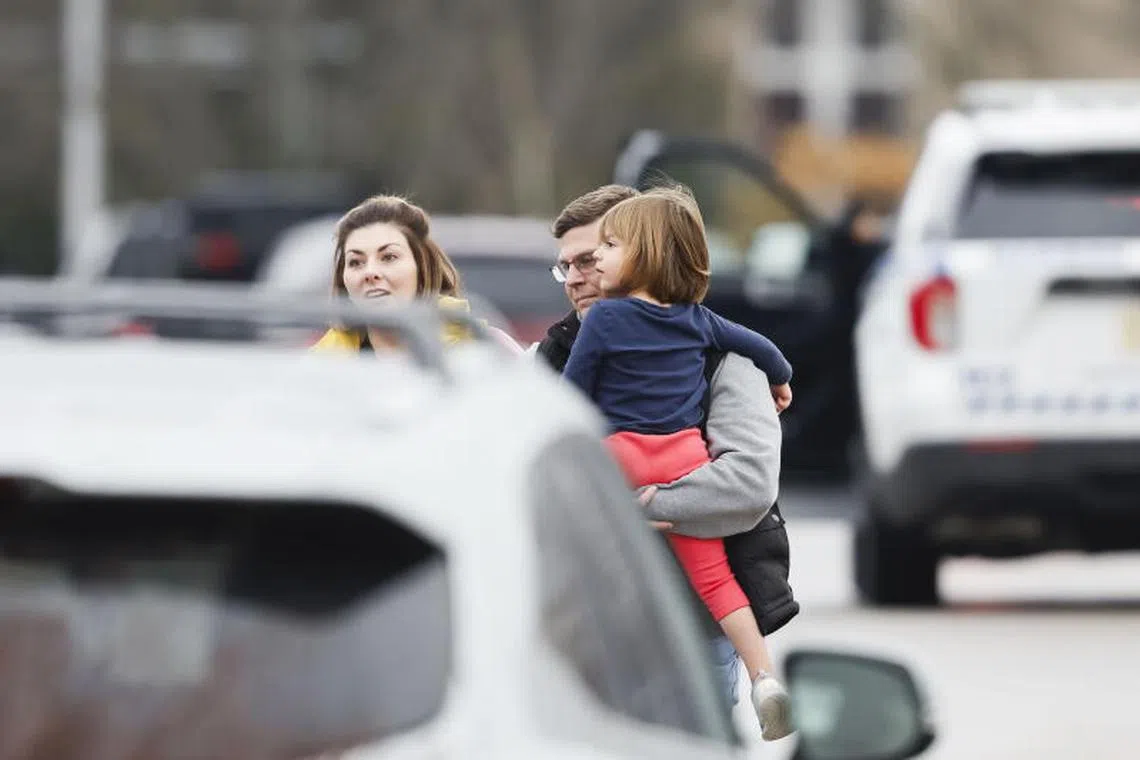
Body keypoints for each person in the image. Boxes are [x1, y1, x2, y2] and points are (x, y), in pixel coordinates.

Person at [539, 185, 800, 714]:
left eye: (594, 257)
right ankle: (765, 678)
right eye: (564, 267)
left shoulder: (717, 358)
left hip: (689, 634)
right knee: (719, 581)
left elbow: (747, 486)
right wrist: (783, 375)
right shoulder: (694, 325)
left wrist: (637, 506)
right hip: (586, 629)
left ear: (644, 252)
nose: (578, 277)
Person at [311, 194, 520, 353]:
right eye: (356, 262)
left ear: (422, 267)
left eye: (388, 257)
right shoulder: (320, 367)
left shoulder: (489, 352)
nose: (370, 272)